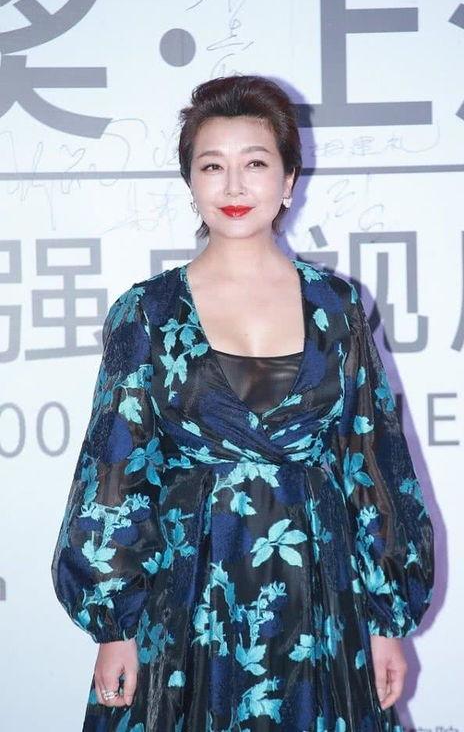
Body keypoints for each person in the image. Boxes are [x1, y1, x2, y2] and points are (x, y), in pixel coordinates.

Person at [51, 74, 434, 732]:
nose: (233, 186)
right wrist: (114, 627)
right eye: (212, 166)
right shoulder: (147, 312)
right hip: (187, 602)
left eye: (254, 164)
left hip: (322, 600)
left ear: (289, 180)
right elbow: (113, 472)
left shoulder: (336, 306)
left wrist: (386, 622)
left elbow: (373, 464)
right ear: (190, 183)